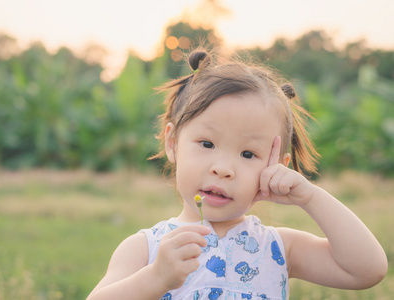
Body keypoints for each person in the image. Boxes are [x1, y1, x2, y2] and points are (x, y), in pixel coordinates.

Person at [87, 49, 387, 300]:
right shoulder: (149, 248)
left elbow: (367, 270)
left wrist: (311, 197)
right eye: (207, 144)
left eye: (248, 154)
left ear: (275, 166)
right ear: (173, 142)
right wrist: (155, 278)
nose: (223, 168)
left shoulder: (279, 248)